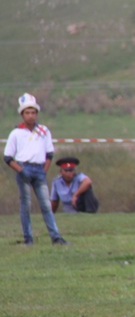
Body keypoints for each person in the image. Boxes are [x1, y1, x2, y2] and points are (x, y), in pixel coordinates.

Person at [4, 94, 69, 245]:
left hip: (39, 169)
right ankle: (28, 238)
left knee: (46, 205)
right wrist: (20, 170)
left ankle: (56, 237)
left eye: (33, 112)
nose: (31, 116)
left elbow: (49, 153)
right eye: (27, 113)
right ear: (22, 114)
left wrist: (44, 171)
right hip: (23, 167)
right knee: (25, 205)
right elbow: (7, 157)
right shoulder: (16, 133)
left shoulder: (43, 131)